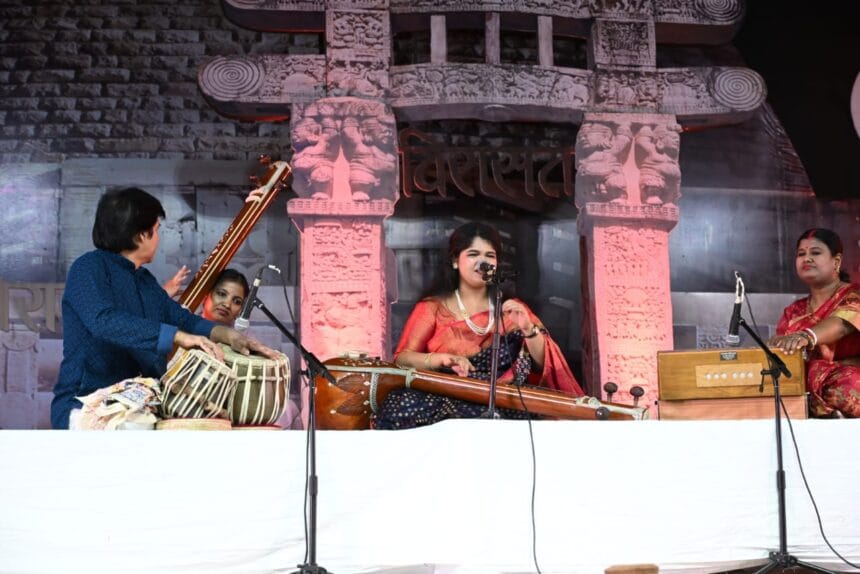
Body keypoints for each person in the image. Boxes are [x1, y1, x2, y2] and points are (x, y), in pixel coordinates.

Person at [51, 187, 277, 429]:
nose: (159, 238)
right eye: (156, 230)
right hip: (87, 404)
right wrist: (176, 336)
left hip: (136, 404)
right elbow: (104, 321)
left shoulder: (144, 281)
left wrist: (230, 336)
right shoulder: (88, 268)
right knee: (140, 430)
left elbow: (182, 318)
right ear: (141, 236)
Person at [377, 222, 584, 429]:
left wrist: (528, 329)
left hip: (505, 402)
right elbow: (402, 359)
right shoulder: (432, 307)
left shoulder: (513, 309)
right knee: (400, 406)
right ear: (455, 261)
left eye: (490, 256)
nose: (482, 261)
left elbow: (544, 364)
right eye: (473, 254)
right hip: (447, 397)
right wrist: (441, 359)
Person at [769, 228, 860, 418]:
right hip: (806, 400)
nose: (807, 258)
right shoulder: (794, 311)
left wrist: (805, 336)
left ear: (836, 261)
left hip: (849, 386)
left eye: (815, 253)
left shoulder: (855, 295)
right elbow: (784, 358)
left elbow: (842, 324)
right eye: (801, 254)